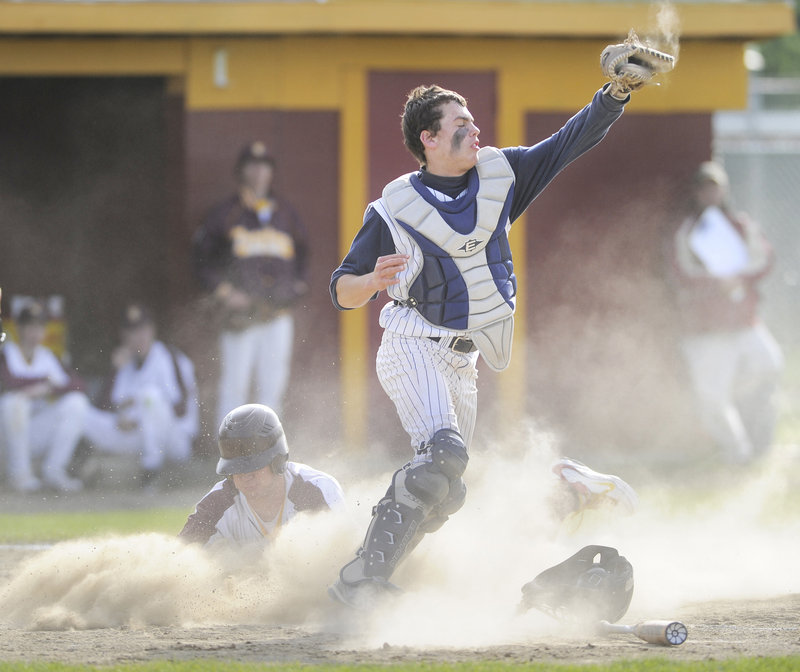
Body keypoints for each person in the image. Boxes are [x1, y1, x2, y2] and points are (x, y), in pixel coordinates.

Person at [326, 55, 650, 606]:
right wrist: (369, 283)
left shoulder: (498, 179)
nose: (476, 131)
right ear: (428, 138)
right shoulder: (394, 209)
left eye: (473, 122)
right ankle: (358, 581)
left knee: (447, 491)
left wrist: (615, 93)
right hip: (411, 343)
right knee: (442, 458)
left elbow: (568, 142)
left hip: (464, 359)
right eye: (460, 125)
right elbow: (341, 289)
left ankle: (372, 578)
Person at [668, 161, 783, 464]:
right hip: (708, 328)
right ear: (696, 193)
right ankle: (737, 453)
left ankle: (760, 443)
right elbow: (682, 272)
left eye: (715, 187)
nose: (710, 193)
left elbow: (765, 260)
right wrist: (715, 281)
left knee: (770, 365)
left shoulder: (741, 224)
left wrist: (738, 277)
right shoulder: (688, 230)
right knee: (712, 398)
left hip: (743, 321)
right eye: (704, 188)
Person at [192, 141, 310, 425]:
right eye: (252, 166)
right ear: (241, 171)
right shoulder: (226, 213)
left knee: (273, 388)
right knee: (234, 386)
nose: (259, 172)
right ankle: (228, 456)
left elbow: (304, 252)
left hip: (278, 313)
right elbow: (201, 260)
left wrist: (297, 286)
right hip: (239, 316)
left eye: (265, 166)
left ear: (271, 172)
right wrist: (224, 292)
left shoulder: (286, 213)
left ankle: (269, 455)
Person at [179, 403, 345, 547]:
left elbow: (343, 559)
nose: (245, 476)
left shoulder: (315, 491)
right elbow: (177, 560)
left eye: (253, 466)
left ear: (277, 461)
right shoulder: (217, 504)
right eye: (236, 468)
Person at [83, 303, 200, 488]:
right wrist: (114, 371)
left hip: (173, 438)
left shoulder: (168, 356)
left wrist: (138, 417)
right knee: (82, 412)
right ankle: (72, 467)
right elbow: (102, 406)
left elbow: (180, 408)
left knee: (150, 395)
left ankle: (151, 472)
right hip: (138, 438)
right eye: (132, 332)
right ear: (124, 336)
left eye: (143, 330)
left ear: (152, 330)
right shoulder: (126, 364)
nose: (138, 337)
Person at [0, 301, 89, 493]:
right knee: (13, 402)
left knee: (77, 403)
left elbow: (78, 384)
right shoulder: (6, 354)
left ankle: (54, 471)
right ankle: (20, 475)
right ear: (19, 328)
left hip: (33, 433)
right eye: (30, 327)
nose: (35, 333)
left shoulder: (48, 356)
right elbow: (8, 383)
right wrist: (41, 384)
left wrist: (47, 388)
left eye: (39, 327)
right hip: (5, 437)